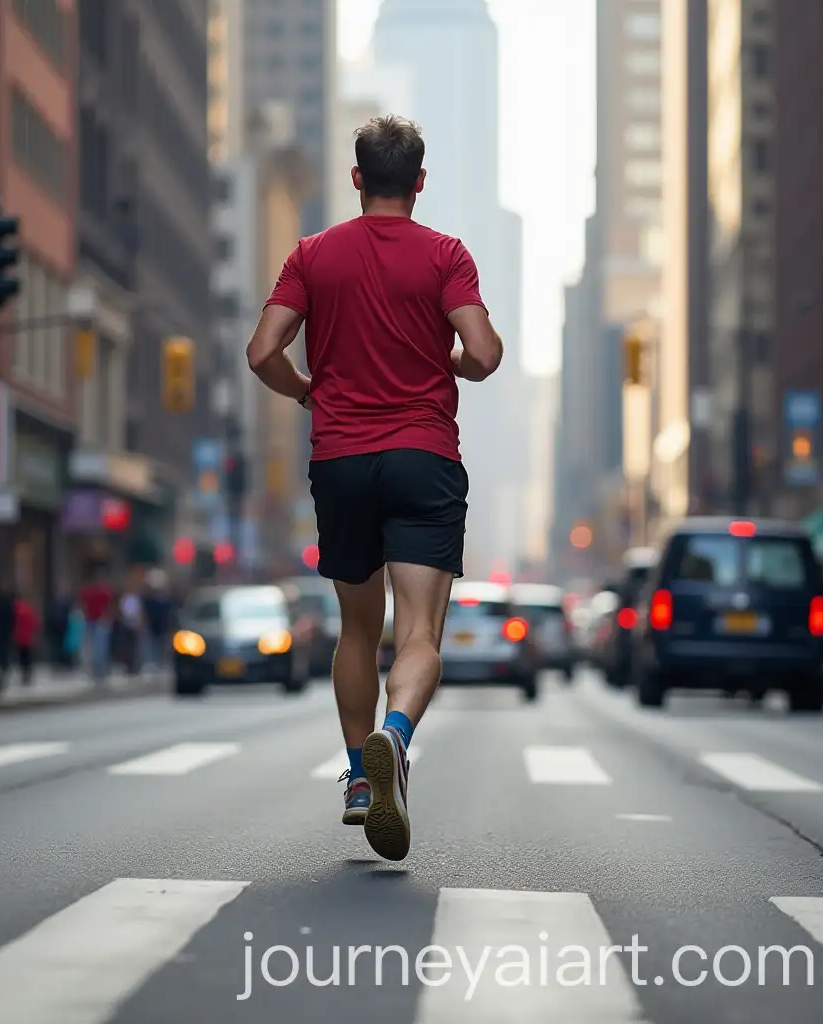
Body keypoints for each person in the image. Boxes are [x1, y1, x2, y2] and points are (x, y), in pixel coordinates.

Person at [245, 115, 503, 861]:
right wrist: (452, 360)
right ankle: (397, 734)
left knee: (358, 627)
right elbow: (482, 352)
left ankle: (361, 777)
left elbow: (263, 350)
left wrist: (306, 393)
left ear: (357, 178)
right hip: (423, 456)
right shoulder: (446, 255)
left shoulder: (312, 255)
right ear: (418, 182)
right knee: (418, 634)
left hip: (342, 461)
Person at [79, 566, 113, 682]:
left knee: (101, 648)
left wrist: (107, 619)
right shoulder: (88, 591)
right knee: (91, 649)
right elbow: (83, 604)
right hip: (90, 621)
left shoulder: (105, 591)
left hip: (100, 621)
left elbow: (108, 606)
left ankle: (102, 671)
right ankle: (94, 671)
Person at [13, 592, 39, 686]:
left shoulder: (17, 609)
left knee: (22, 657)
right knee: (27, 656)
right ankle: (27, 673)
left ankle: (24, 674)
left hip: (20, 637)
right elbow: (34, 623)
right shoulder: (29, 609)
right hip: (28, 637)